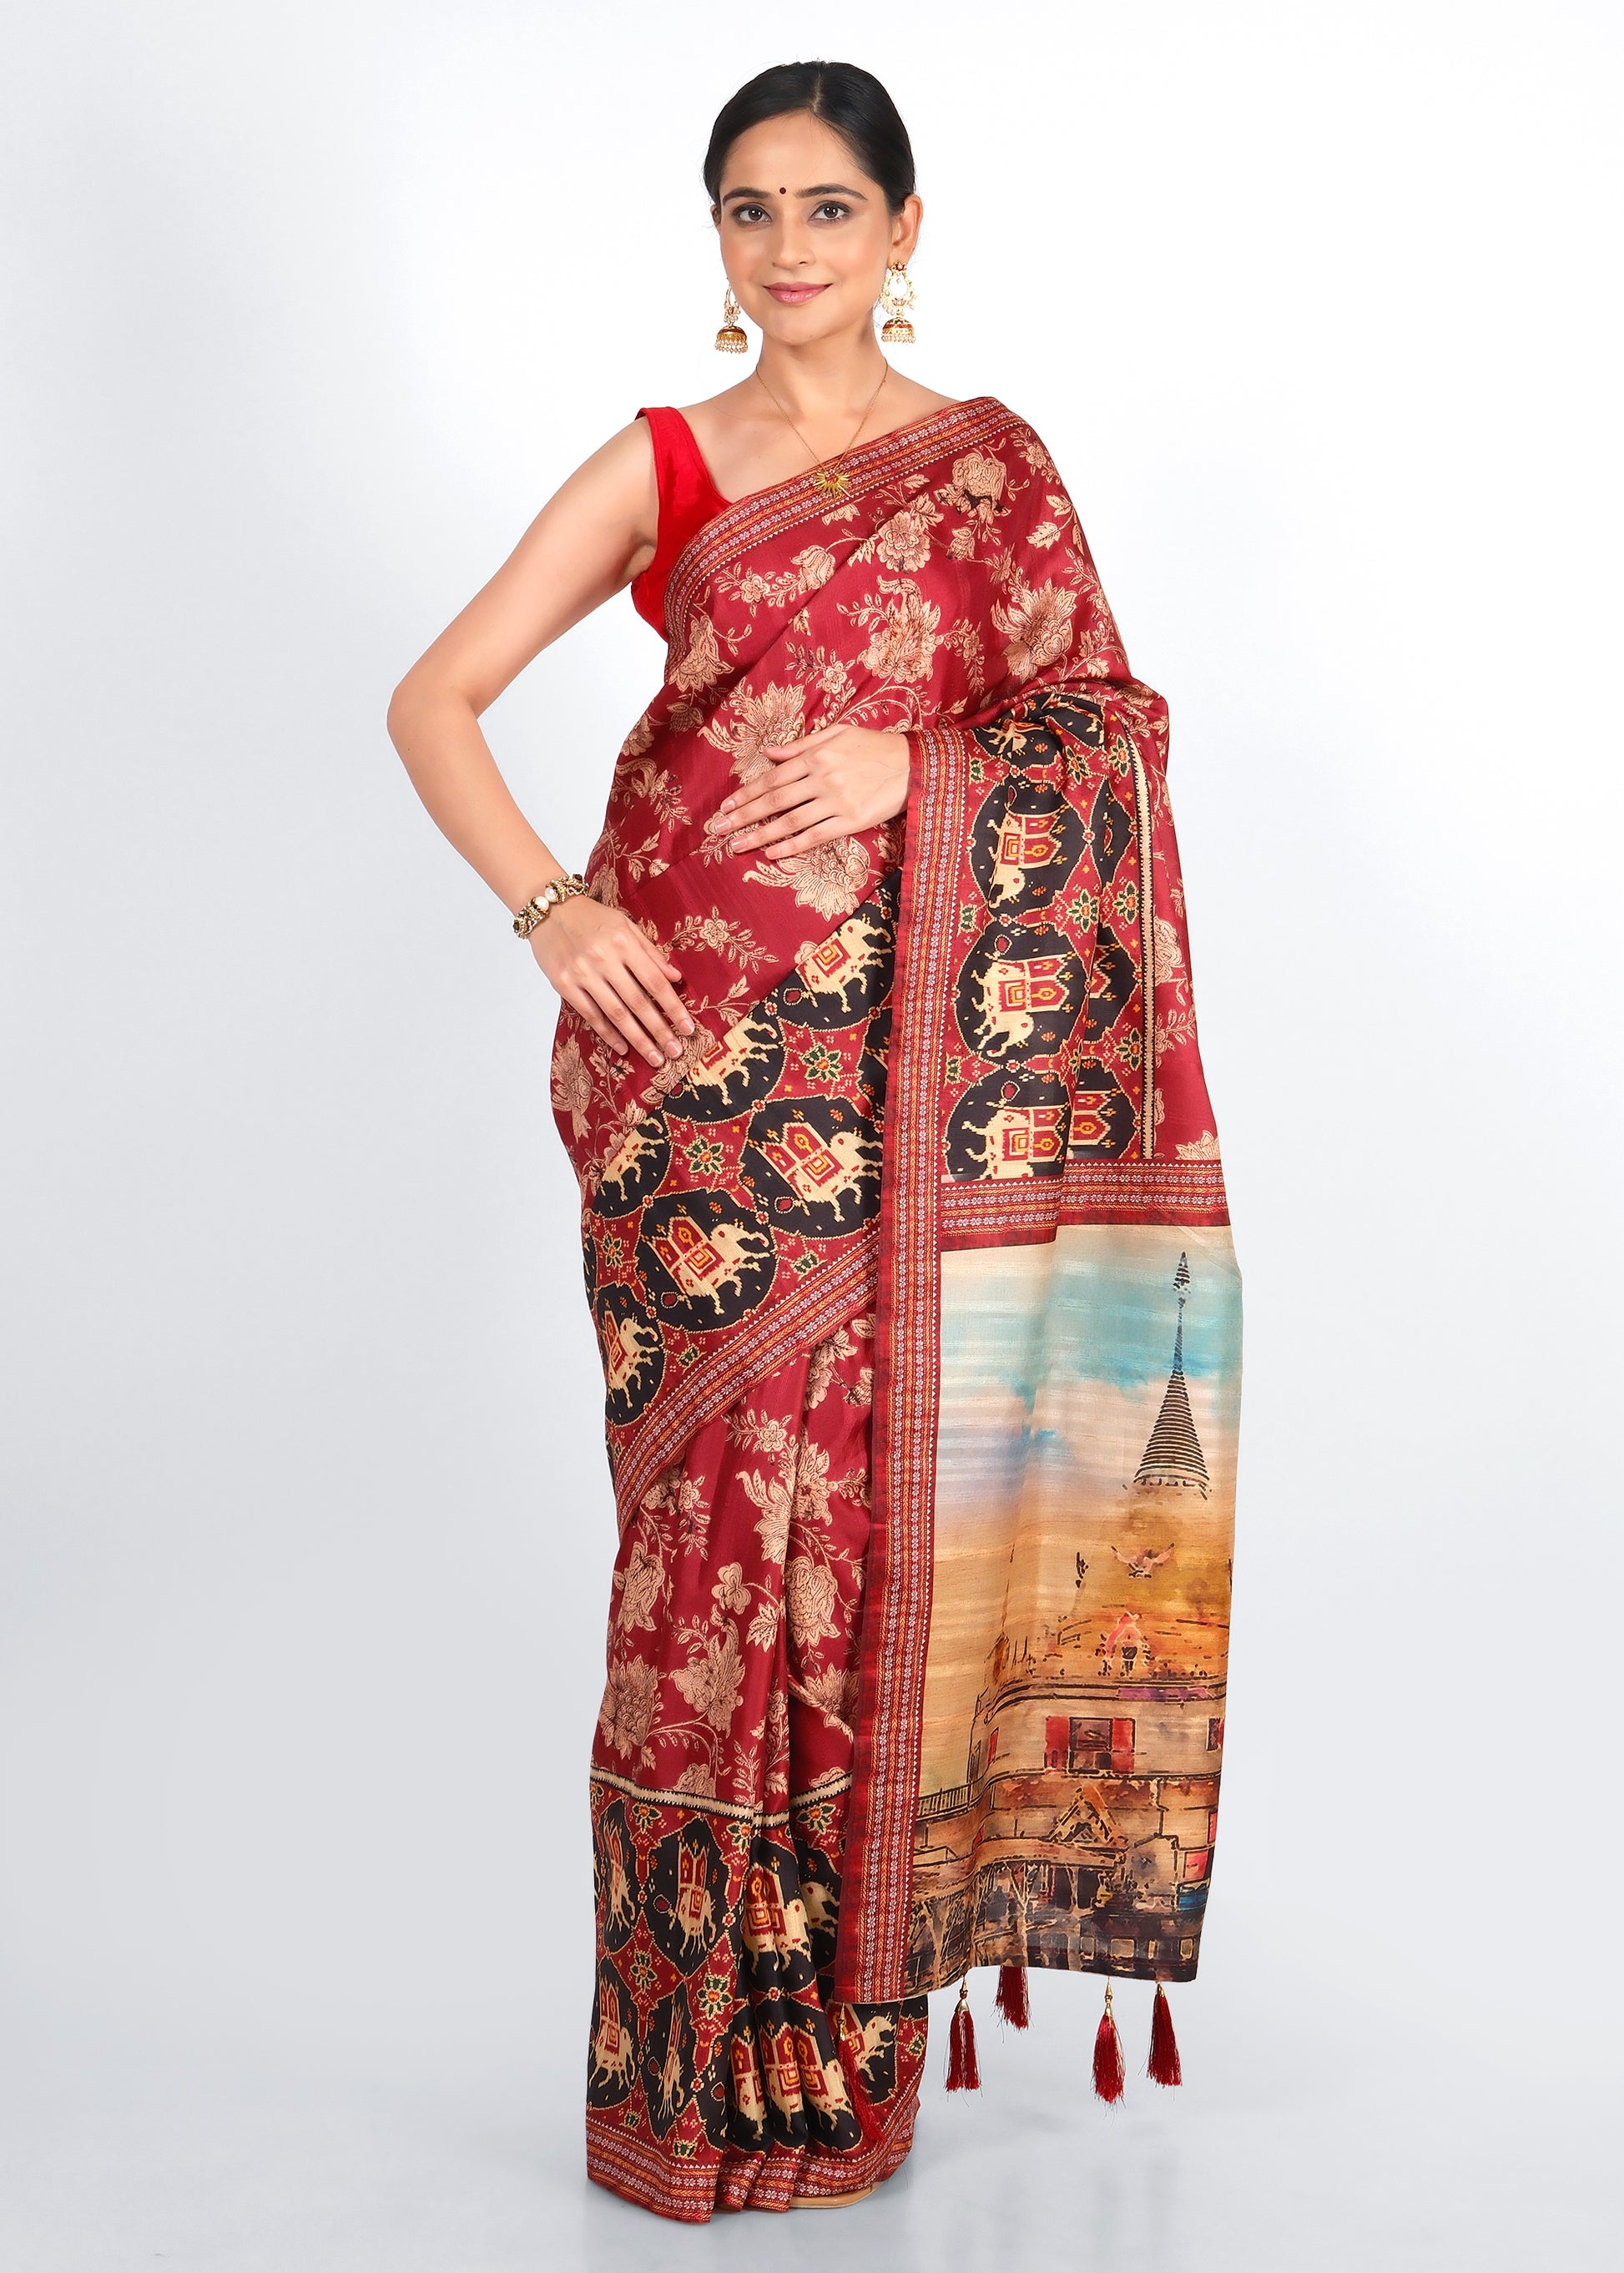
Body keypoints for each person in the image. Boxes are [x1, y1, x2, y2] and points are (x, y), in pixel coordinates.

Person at [388, 58, 1242, 2226]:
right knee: (697, 1562)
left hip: (898, 1096)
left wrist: (908, 758)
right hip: (682, 1084)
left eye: (827, 208)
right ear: (717, 242)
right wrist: (555, 910)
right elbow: (435, 694)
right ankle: (684, 2070)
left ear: (906, 227)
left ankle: (832, 2068)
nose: (787, 251)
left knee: (858, 1534)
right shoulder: (667, 461)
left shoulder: (991, 476)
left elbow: (1104, 739)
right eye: (749, 212)